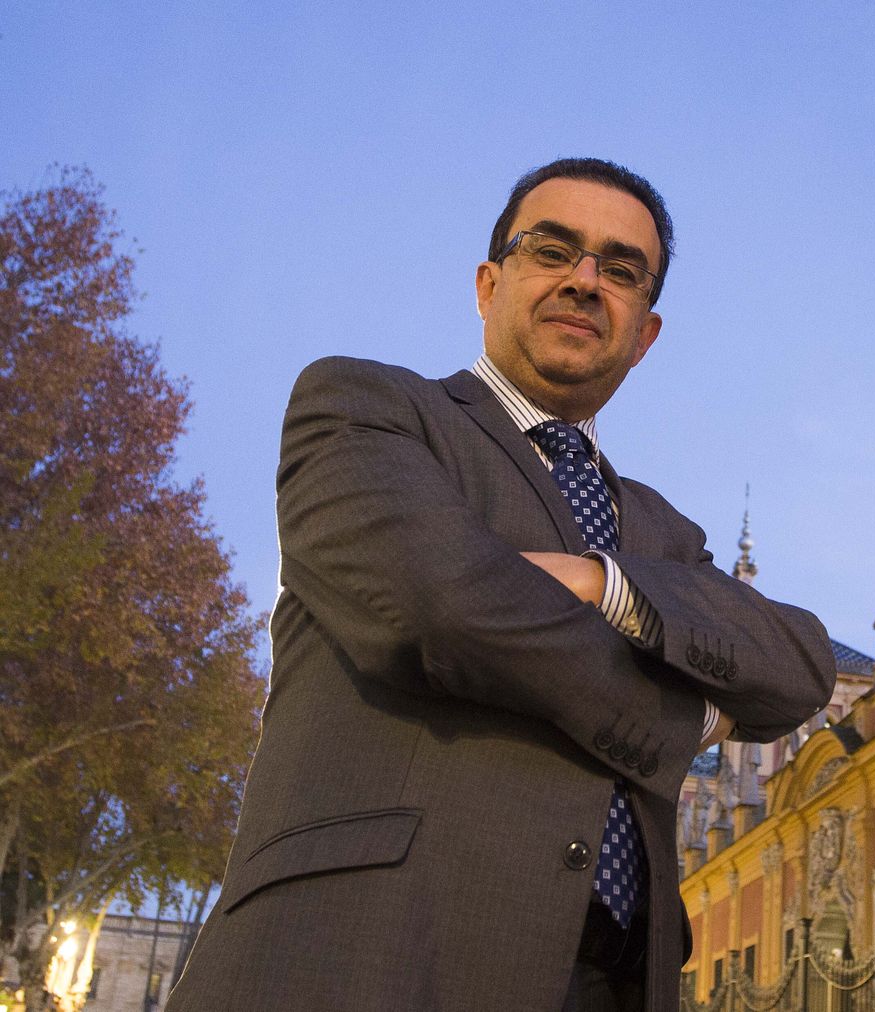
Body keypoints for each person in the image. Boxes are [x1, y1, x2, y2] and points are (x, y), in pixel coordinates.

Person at [167, 159, 836, 1012]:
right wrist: (686, 717)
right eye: (552, 249)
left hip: (619, 979)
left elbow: (802, 666)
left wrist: (604, 584)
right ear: (489, 284)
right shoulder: (367, 410)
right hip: (373, 953)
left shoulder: (666, 534)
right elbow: (442, 607)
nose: (586, 280)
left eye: (621, 269)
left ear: (647, 332)